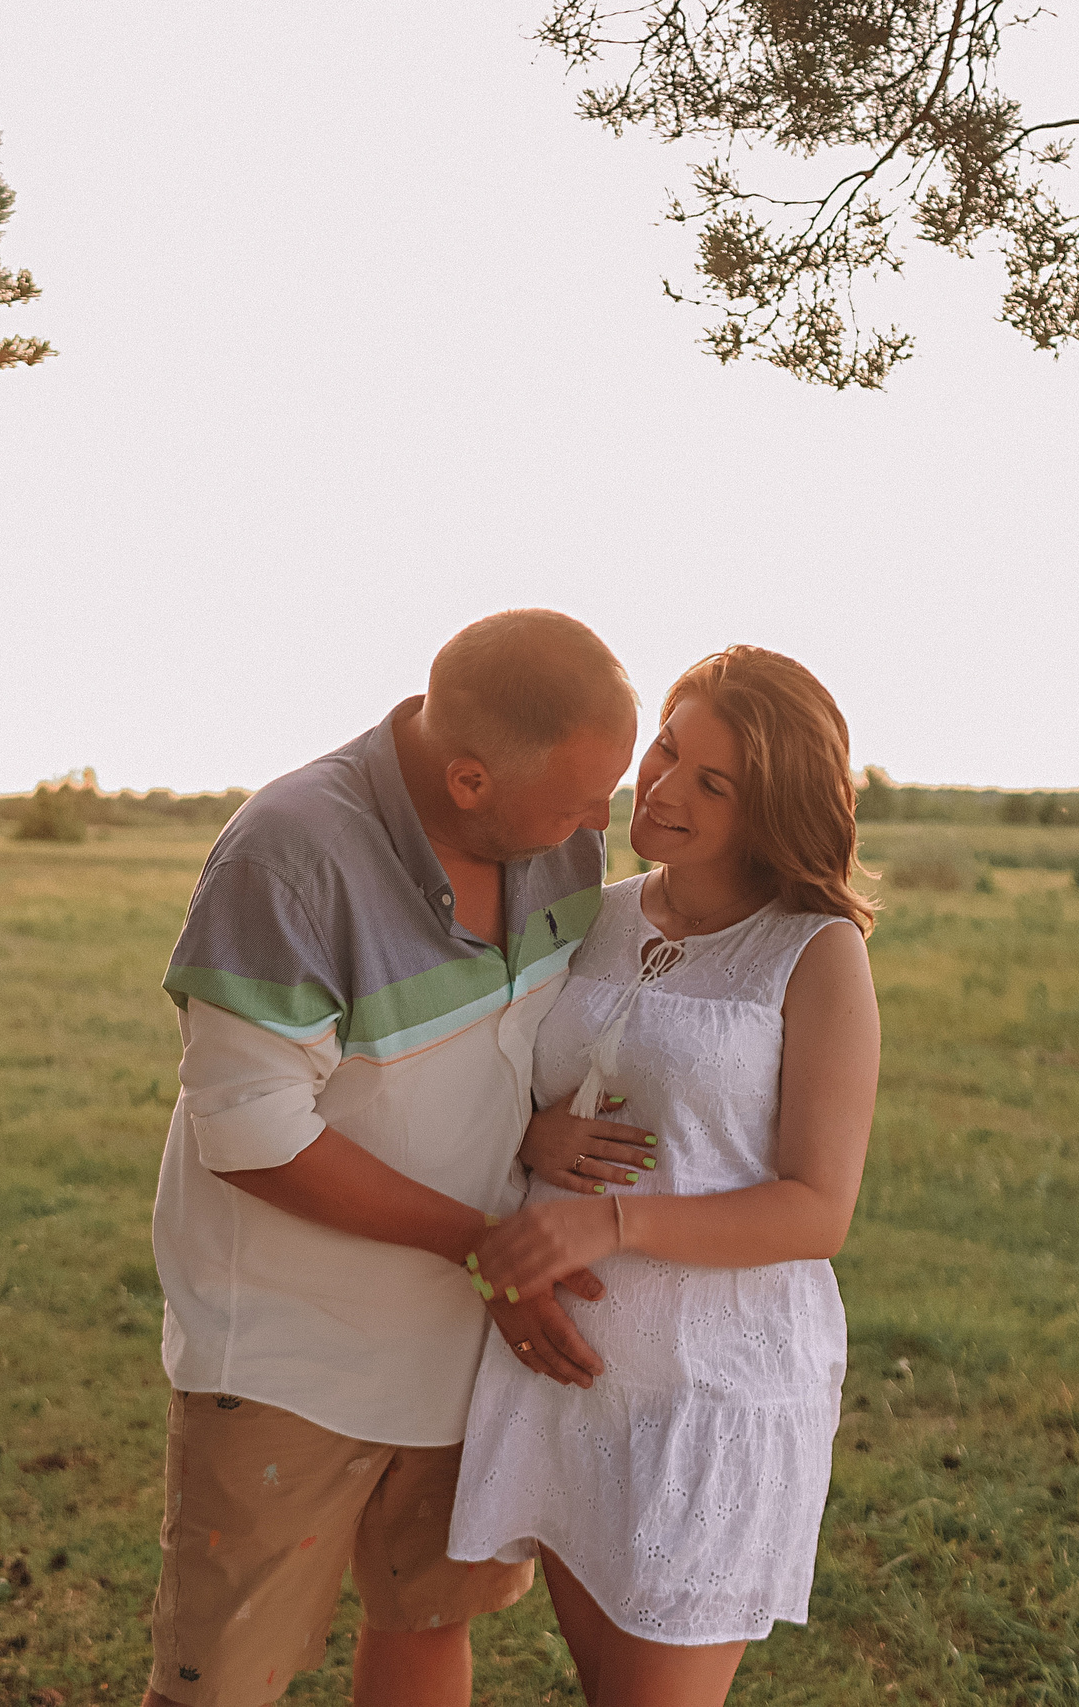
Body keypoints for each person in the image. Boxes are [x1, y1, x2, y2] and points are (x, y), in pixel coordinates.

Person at [143, 609, 640, 1707]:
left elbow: (479, 1047)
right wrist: (486, 1247)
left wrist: (526, 1134)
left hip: (465, 1344)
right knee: (220, 1683)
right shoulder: (288, 857)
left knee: (429, 1621)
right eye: (576, 798)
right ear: (468, 781)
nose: (601, 824)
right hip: (293, 1353)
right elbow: (252, 1134)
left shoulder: (554, 838)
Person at [449, 644, 883, 1707]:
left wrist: (611, 1227)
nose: (664, 786)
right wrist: (529, 1136)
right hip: (570, 1381)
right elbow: (500, 1077)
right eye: (668, 749)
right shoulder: (588, 915)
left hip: (708, 1398)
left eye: (712, 781)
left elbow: (816, 1210)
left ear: (771, 805)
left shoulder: (812, 952)